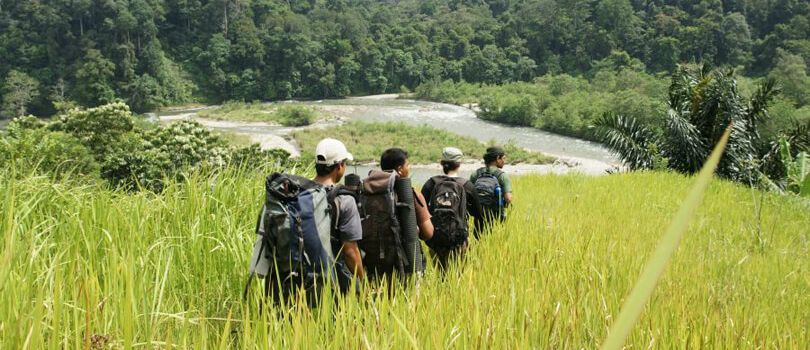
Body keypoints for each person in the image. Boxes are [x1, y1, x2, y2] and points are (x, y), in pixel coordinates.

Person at [359, 147, 433, 281]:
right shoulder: (408, 194)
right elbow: (428, 233)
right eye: (407, 165)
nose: (408, 169)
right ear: (400, 169)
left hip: (371, 264)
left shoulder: (364, 192)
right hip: (405, 263)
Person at [313, 138, 365, 290]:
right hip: (329, 281)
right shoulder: (344, 200)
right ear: (340, 165)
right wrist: (363, 285)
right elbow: (350, 251)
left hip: (296, 276)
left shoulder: (298, 192)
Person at [421, 147, 483, 271]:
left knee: (440, 275)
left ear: (441, 163)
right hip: (459, 239)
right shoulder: (467, 185)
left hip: (435, 240)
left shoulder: (431, 183)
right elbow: (479, 216)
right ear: (459, 164)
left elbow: (420, 212)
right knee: (458, 275)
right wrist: (477, 238)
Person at [469, 146, 513, 238]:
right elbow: (508, 198)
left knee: (478, 239)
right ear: (497, 158)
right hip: (497, 216)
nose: (504, 161)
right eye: (503, 158)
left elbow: (469, 194)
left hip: (478, 214)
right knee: (496, 240)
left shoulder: (476, 174)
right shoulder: (502, 176)